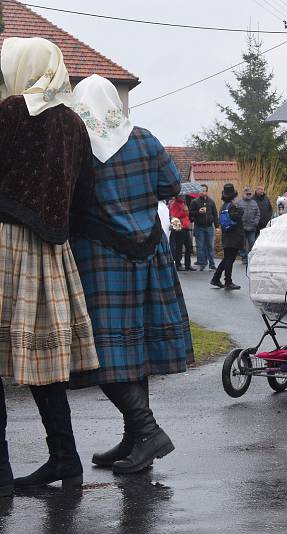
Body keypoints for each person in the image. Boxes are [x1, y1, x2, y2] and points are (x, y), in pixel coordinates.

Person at [68, 74, 193, 474]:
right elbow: (171, 184)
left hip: (100, 258)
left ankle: (147, 431)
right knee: (131, 350)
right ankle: (136, 436)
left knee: (104, 351)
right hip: (149, 255)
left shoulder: (78, 144)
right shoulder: (144, 138)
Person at [0, 37, 100, 492]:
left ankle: (0, 471)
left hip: (3, 242)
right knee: (44, 367)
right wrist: (59, 234)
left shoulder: (9, 113)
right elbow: (85, 198)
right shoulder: (75, 125)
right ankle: (66, 458)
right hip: (52, 253)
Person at [211, 184, 245, 289]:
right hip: (233, 236)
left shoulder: (223, 206)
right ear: (233, 196)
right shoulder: (232, 206)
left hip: (226, 235)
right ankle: (228, 281)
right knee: (230, 260)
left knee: (226, 259)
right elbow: (236, 217)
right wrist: (241, 210)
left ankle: (216, 278)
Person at [189, 184, 218, 271]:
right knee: (200, 246)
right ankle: (202, 264)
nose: (203, 192)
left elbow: (215, 215)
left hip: (209, 226)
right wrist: (198, 212)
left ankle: (212, 264)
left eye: (205, 190)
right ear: (199, 191)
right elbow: (190, 214)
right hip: (199, 226)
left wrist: (217, 226)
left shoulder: (211, 202)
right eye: (201, 190)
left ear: (207, 191)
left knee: (210, 246)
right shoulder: (195, 202)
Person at [168, 195, 194, 271]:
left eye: (184, 196)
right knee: (179, 247)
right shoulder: (175, 204)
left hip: (185, 226)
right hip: (179, 227)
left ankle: (187, 265)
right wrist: (183, 211)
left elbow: (187, 214)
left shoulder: (183, 203)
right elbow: (174, 215)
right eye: (182, 196)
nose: (184, 197)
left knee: (189, 246)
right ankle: (178, 264)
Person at [237, 187, 261, 264]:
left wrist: (255, 222)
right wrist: (239, 224)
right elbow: (236, 214)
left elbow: (258, 214)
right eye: (247, 194)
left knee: (252, 243)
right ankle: (244, 257)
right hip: (242, 228)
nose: (248, 195)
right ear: (244, 194)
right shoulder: (239, 203)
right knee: (241, 244)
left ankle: (251, 257)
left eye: (250, 194)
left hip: (252, 227)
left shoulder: (254, 203)